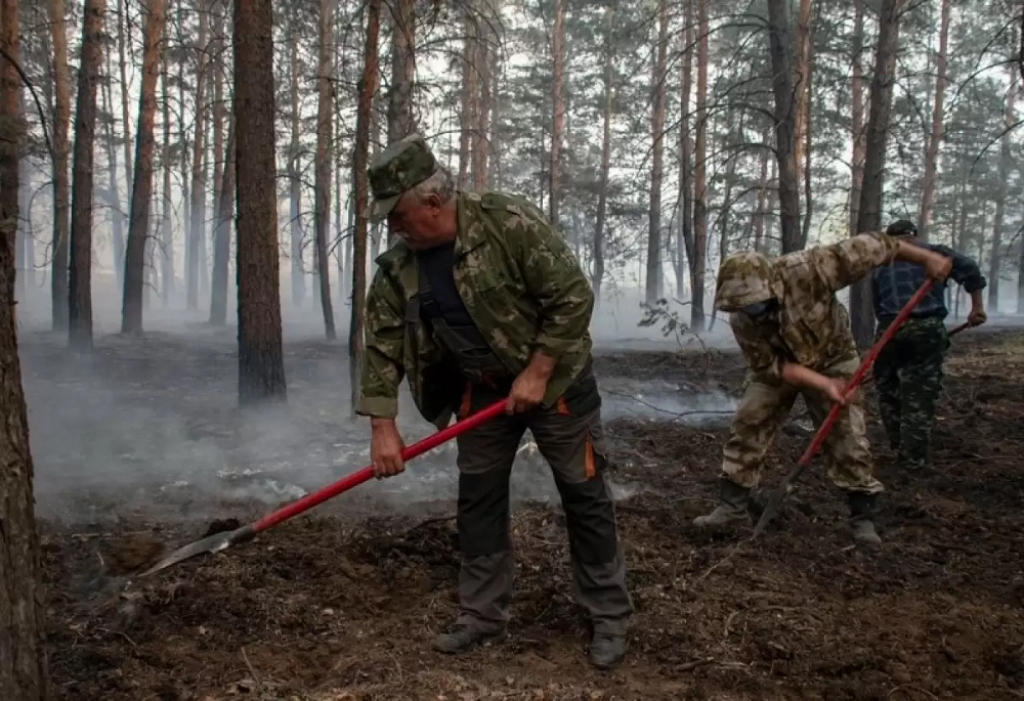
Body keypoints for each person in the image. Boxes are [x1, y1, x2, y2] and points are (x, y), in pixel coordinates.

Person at [355, 133, 632, 669]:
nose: (393, 226)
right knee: (478, 498)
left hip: (557, 386)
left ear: (432, 202)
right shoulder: (399, 268)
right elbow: (381, 344)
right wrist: (382, 425)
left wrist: (538, 369)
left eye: (398, 214)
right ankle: (482, 613)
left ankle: (608, 615)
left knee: (584, 494)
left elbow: (572, 294)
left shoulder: (507, 224)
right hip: (480, 391)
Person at [693, 232, 953, 544]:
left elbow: (876, 245)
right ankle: (732, 507)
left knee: (847, 433)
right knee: (749, 420)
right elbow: (770, 367)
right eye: (745, 307)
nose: (752, 311)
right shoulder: (743, 319)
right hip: (783, 367)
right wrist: (822, 384)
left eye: (756, 303)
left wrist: (927, 258)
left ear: (770, 284)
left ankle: (862, 517)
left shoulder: (811, 268)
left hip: (834, 356)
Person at [870, 219, 987, 475]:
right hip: (926, 328)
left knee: (887, 389)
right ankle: (912, 460)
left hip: (889, 330)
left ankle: (899, 445)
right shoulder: (935, 253)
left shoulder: (882, 262)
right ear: (915, 236)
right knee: (918, 393)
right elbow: (970, 270)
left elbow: (877, 303)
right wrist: (976, 307)